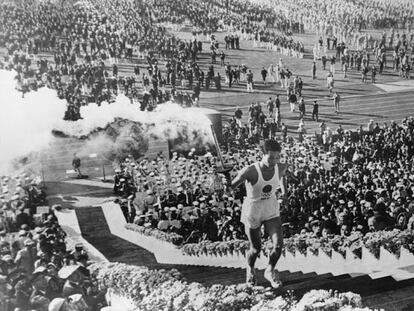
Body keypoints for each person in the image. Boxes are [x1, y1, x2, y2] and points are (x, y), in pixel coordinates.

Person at [229, 140, 287, 288]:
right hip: (253, 209)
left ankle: (270, 270)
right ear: (263, 154)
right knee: (256, 249)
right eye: (271, 157)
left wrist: (284, 192)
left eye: (277, 157)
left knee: (278, 245)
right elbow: (230, 188)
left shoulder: (281, 166)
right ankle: (250, 269)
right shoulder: (250, 171)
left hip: (271, 208)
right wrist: (223, 179)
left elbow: (283, 175)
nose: (274, 161)